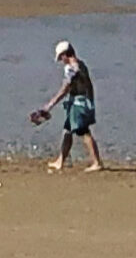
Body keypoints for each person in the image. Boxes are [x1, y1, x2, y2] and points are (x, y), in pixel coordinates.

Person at [30, 41, 102, 172]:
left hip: (79, 103)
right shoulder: (81, 64)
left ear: (65, 55)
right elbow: (88, 86)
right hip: (81, 101)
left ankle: (96, 162)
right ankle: (60, 160)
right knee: (67, 131)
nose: (61, 61)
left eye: (60, 57)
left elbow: (65, 88)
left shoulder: (72, 67)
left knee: (83, 131)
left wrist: (48, 106)